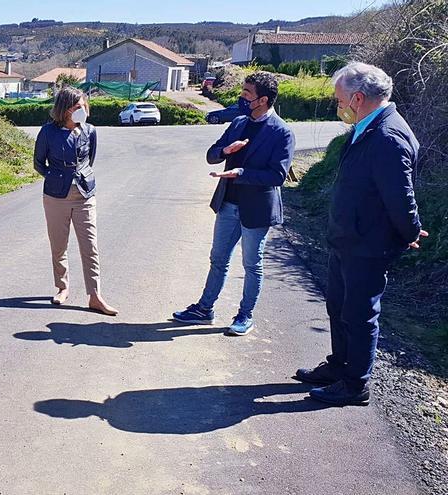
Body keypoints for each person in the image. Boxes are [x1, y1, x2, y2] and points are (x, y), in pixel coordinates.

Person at [295, 62, 427, 406]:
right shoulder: (370, 126)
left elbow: (401, 194)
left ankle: (355, 386)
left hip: (368, 245)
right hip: (348, 239)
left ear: (357, 98)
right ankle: (339, 367)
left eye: (339, 100)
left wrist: (410, 230)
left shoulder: (387, 135)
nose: (337, 106)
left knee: (359, 314)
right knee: (338, 307)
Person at [172, 72, 295, 336]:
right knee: (218, 259)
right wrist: (226, 152)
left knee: (252, 264)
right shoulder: (238, 123)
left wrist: (241, 173)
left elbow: (278, 176)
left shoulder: (282, 132)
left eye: (246, 93)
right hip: (228, 204)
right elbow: (211, 155)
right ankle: (204, 310)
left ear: (262, 100)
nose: (241, 96)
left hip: (257, 209)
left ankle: (245, 315)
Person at [33, 87, 117, 316]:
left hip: (84, 195)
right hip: (55, 196)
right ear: (64, 109)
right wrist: (56, 177)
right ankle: (62, 287)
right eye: (76, 107)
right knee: (58, 245)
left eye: (83, 106)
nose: (81, 110)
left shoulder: (89, 131)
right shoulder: (48, 132)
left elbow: (89, 160)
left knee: (90, 246)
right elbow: (39, 163)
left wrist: (79, 177)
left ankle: (95, 295)